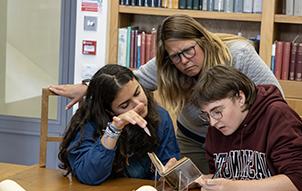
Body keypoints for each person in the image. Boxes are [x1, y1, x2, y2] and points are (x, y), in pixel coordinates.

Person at [49, 14, 282, 173]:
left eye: (188, 51)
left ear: (203, 39)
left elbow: (274, 98)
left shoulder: (238, 54)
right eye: (175, 56)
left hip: (240, 139)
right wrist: (90, 88)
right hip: (193, 140)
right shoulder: (168, 64)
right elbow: (130, 84)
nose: (184, 61)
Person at [191, 65, 302, 191]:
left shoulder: (277, 115)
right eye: (207, 115)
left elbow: (296, 181)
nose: (212, 122)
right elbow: (223, 176)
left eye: (217, 111)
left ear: (240, 98)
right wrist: (199, 180)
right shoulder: (218, 126)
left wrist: (234, 188)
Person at [58, 64, 180, 185]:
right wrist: (114, 130)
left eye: (137, 92)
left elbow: (168, 163)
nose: (139, 105)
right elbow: (89, 175)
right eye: (125, 105)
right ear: (109, 111)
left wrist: (170, 175)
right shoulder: (90, 121)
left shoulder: (160, 117)